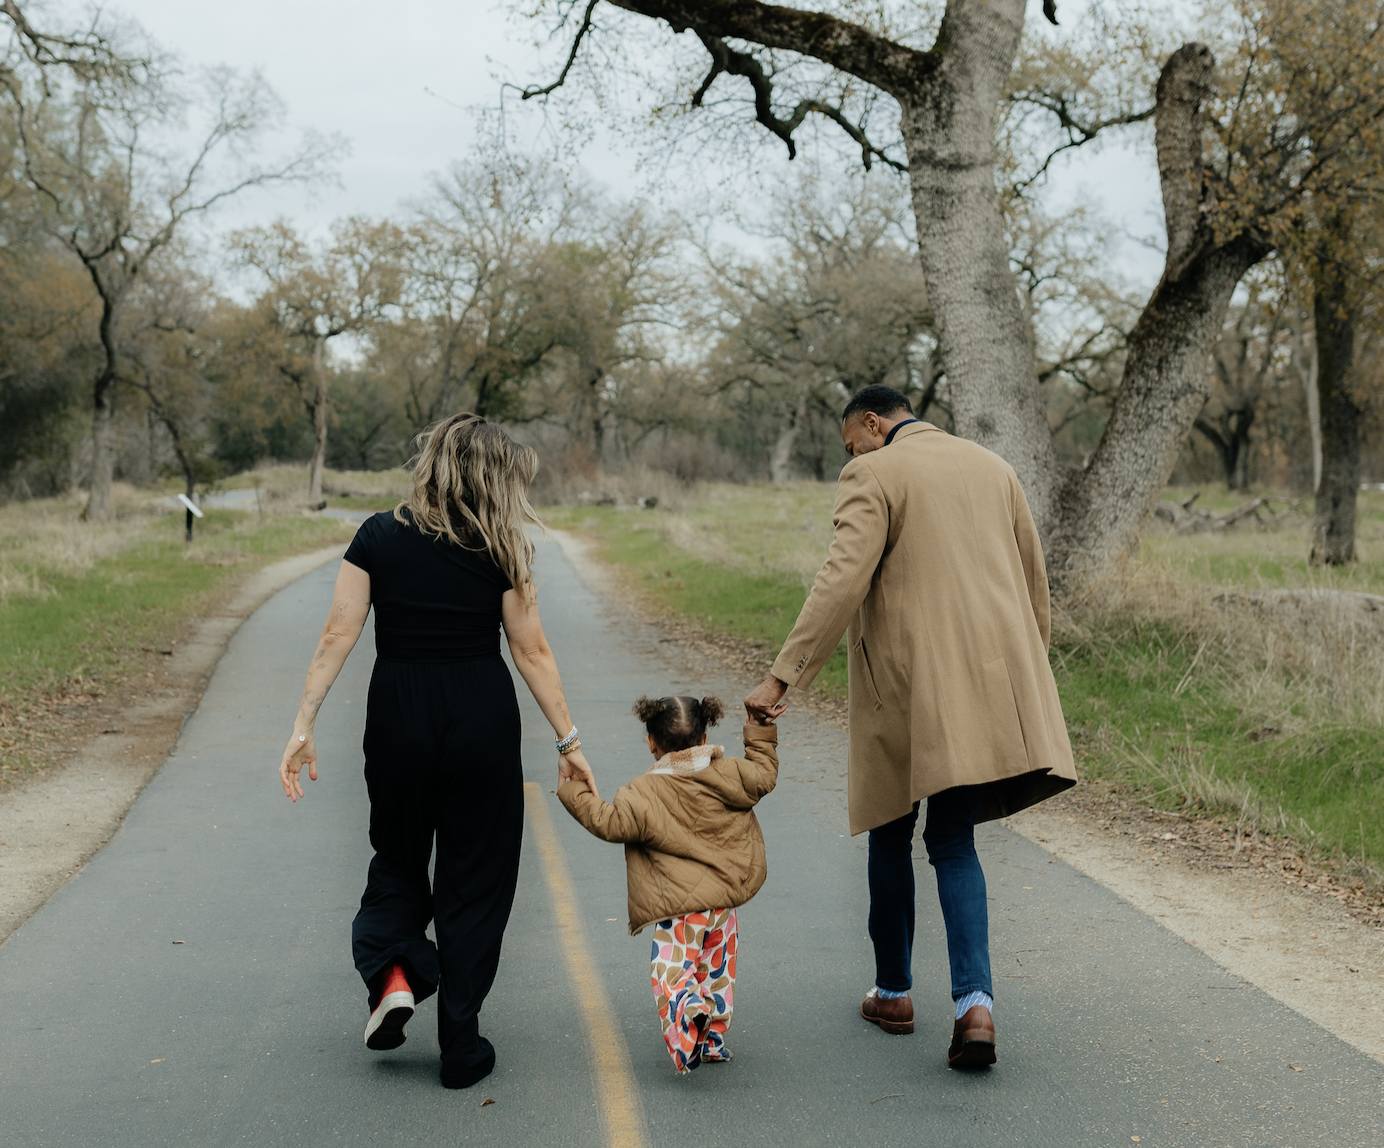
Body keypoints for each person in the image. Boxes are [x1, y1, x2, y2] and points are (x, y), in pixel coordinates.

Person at [744, 384, 1076, 1069]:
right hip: (988, 685)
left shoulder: (873, 471)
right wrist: (1027, 679)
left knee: (891, 831)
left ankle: (893, 992)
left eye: (850, 442)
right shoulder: (994, 467)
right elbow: (1033, 583)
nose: (852, 454)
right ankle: (974, 1007)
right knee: (954, 842)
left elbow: (841, 581)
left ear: (872, 424)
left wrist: (782, 677)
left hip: (906, 687)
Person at [277, 412, 598, 1091]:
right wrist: (570, 741)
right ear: (492, 478)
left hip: (397, 712)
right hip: (479, 713)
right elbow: (532, 650)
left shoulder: (376, 536)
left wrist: (304, 721)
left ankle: (394, 972)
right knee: (474, 876)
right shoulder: (504, 548)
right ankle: (460, 1040)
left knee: (396, 856)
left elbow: (337, 633)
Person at [556, 693, 782, 1074]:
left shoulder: (642, 794)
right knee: (717, 971)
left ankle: (689, 1015)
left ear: (651, 743)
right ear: (705, 735)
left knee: (672, 974)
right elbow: (765, 772)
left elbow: (609, 823)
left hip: (680, 913)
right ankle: (712, 1041)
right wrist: (758, 730)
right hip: (723, 908)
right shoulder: (730, 773)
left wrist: (573, 789)